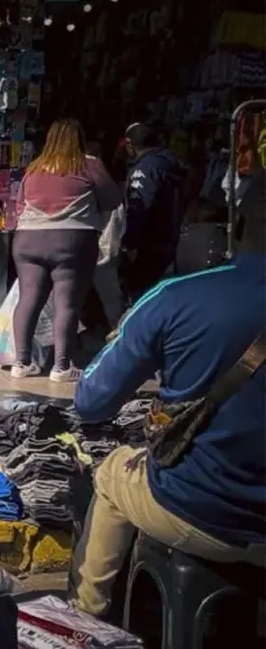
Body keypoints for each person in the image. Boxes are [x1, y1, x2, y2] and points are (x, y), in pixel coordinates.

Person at [69, 182, 266, 618]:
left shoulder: (177, 296)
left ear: (240, 225)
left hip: (204, 511)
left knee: (111, 472)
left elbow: (91, 401)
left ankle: (84, 620)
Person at [10, 118, 122, 382]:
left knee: (28, 299)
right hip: (71, 241)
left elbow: (18, 206)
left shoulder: (34, 168)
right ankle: (61, 367)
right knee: (67, 303)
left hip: (27, 240)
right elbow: (112, 200)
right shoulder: (89, 164)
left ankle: (21, 362)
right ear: (79, 140)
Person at [120, 122, 187, 303]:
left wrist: (130, 243)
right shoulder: (168, 162)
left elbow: (140, 207)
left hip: (149, 244)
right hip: (171, 238)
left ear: (130, 144)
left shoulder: (145, 168)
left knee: (141, 297)